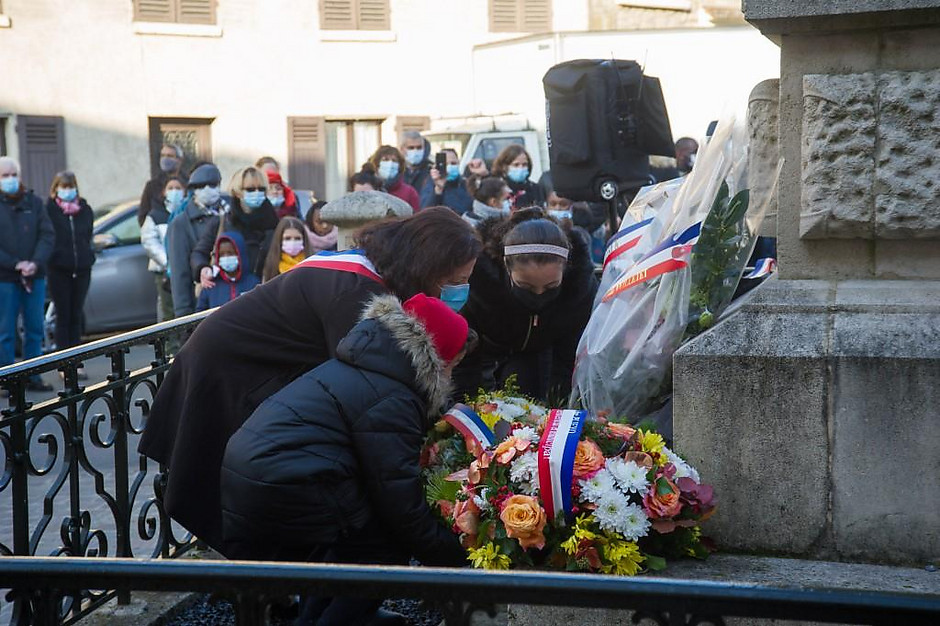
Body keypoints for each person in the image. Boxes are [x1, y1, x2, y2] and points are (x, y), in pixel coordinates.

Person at [138, 206, 482, 554]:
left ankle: (271, 593)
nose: (458, 291)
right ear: (427, 266)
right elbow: (369, 393)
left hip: (245, 367)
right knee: (236, 493)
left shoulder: (366, 271)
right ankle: (264, 596)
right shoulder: (357, 292)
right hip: (231, 375)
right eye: (452, 282)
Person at [220, 293, 472, 624]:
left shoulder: (367, 363)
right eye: (453, 364)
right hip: (285, 483)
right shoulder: (393, 396)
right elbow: (399, 502)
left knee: (344, 547)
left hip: (257, 475)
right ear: (435, 357)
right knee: (382, 550)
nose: (452, 375)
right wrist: (458, 553)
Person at [455, 208, 597, 402]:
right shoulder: (480, 285)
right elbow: (466, 360)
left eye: (551, 286)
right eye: (525, 286)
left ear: (566, 269)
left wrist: (559, 408)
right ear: (505, 265)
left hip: (547, 357)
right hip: (489, 356)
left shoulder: (578, 290)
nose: (539, 294)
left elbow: (569, 357)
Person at [0, 157, 55, 391]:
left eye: (13, 174)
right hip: (6, 278)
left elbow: (47, 235)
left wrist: (34, 262)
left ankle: (33, 375)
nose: (10, 179)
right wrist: (15, 264)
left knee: (35, 327)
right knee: (5, 330)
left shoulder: (34, 202)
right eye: (5, 175)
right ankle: (7, 378)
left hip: (35, 275)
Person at [192, 166, 278, 290]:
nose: (257, 193)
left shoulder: (274, 223)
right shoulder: (222, 222)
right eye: (250, 189)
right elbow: (199, 253)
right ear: (238, 192)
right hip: (228, 292)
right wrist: (202, 267)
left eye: (261, 189)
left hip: (264, 292)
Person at [166, 163, 230, 318]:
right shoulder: (182, 223)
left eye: (213, 184)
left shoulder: (230, 212)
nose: (208, 189)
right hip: (202, 301)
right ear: (193, 190)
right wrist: (183, 316)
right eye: (201, 186)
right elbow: (179, 274)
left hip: (231, 297)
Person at [45, 171, 95, 355]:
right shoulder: (49, 210)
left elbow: (88, 235)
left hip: (81, 269)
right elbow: (47, 237)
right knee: (63, 315)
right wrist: (54, 257)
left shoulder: (85, 210)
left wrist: (88, 255)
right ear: (56, 189)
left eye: (71, 186)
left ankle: (76, 361)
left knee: (76, 315)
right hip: (58, 270)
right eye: (64, 187)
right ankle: (62, 361)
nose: (68, 190)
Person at [141, 176, 185, 323]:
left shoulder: (187, 212)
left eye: (178, 188)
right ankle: (171, 346)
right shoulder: (155, 215)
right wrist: (168, 262)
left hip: (186, 271)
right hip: (164, 272)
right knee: (168, 314)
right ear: (164, 192)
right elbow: (149, 241)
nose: (174, 192)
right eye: (170, 188)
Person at [195, 231, 260, 311]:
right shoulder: (211, 286)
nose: (226, 257)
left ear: (240, 254)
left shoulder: (253, 284)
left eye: (230, 253)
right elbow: (199, 315)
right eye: (222, 254)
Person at [139, 144, 186, 227]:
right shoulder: (152, 186)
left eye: (169, 156)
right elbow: (143, 216)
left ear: (180, 160)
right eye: (163, 156)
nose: (165, 159)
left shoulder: (188, 183)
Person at [491, 144, 545, 210]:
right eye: (516, 165)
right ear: (504, 167)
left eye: (524, 164)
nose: (521, 168)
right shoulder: (496, 188)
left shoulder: (535, 189)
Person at [420, 148, 472, 214]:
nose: (449, 166)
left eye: (453, 163)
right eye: (446, 164)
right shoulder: (430, 184)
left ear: (458, 163)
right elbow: (426, 212)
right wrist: (438, 190)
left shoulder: (466, 184)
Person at [261, 216, 314, 282]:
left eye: (297, 238)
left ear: (304, 240)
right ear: (280, 240)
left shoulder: (313, 264)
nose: (292, 242)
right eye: (287, 238)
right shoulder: (272, 265)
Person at [367, 146, 420, 212]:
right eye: (385, 160)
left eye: (394, 161)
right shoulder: (368, 188)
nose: (390, 163)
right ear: (377, 164)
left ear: (399, 166)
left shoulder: (410, 192)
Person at [400, 131, 431, 195]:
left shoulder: (431, 170)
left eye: (419, 148)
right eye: (411, 148)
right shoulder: (396, 170)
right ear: (402, 149)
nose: (415, 151)